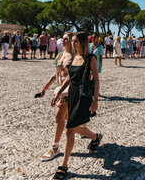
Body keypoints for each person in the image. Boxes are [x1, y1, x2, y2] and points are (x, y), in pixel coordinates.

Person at [51, 32, 102, 180]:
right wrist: (58, 93)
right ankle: (95, 137)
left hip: (83, 96)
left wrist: (96, 100)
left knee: (69, 130)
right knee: (72, 125)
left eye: (75, 42)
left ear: (83, 43)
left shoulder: (90, 58)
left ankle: (63, 165)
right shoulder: (73, 58)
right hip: (72, 94)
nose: (73, 44)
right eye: (72, 41)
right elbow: (69, 78)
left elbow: (96, 80)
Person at [38, 32, 73, 162]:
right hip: (60, 88)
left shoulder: (74, 56)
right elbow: (55, 74)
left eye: (65, 39)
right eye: (62, 39)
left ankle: (54, 147)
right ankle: (94, 136)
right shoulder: (60, 55)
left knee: (59, 116)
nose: (62, 41)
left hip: (69, 91)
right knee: (69, 121)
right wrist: (45, 87)